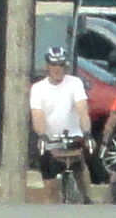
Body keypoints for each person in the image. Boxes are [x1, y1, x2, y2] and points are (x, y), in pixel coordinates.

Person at [28, 54, 92, 203]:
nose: (58, 69)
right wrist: (42, 134)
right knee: (50, 179)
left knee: (80, 164)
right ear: (47, 67)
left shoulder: (75, 83)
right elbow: (37, 115)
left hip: (72, 136)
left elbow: (82, 108)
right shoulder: (38, 88)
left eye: (61, 65)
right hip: (50, 139)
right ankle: (52, 205)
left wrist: (87, 132)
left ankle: (87, 198)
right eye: (54, 65)